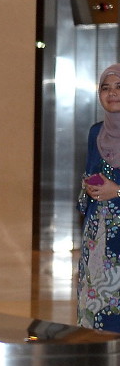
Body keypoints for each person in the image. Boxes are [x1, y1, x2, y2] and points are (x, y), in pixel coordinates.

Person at [77, 63, 120, 331]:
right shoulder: (96, 132)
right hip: (98, 238)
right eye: (106, 88)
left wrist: (116, 191)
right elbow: (90, 175)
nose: (112, 93)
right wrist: (89, 187)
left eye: (119, 87)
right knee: (97, 310)